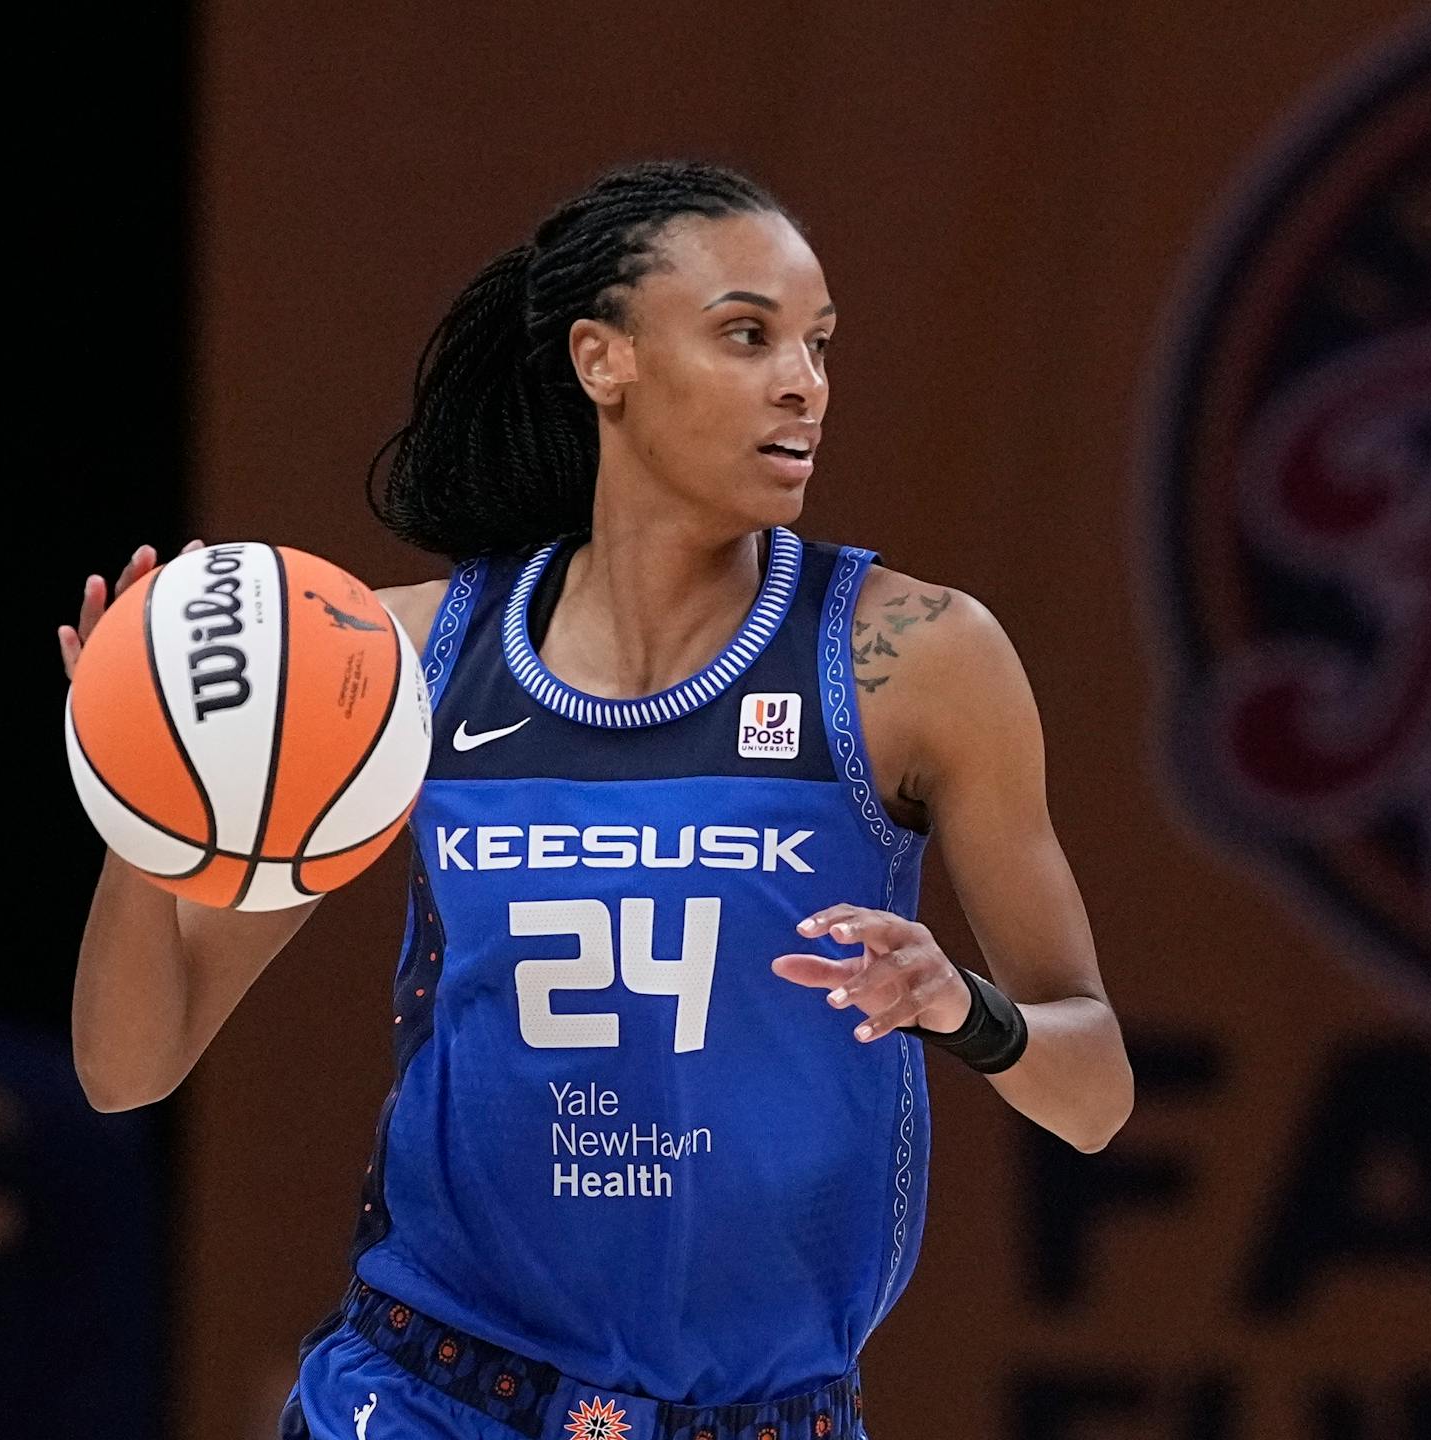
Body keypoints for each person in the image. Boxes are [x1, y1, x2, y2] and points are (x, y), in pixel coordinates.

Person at [58, 159, 1133, 1440]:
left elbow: (1097, 1092)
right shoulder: (404, 663)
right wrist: (144, 777)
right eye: (748, 335)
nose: (805, 381)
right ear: (602, 359)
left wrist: (964, 1008)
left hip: (763, 1415)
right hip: (434, 1398)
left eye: (820, 343)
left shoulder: (914, 658)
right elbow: (129, 1067)